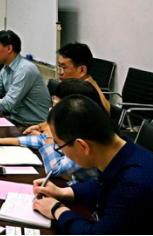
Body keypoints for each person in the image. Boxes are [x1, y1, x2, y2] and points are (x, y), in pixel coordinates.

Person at [32, 95, 153, 235]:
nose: (60, 151)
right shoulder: (124, 151)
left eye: (59, 146)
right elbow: (100, 186)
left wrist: (57, 210)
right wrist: (62, 192)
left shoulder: (133, 184)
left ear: (83, 146)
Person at [0, 79, 104, 184]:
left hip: (85, 199)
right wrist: (1, 141)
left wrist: (50, 130)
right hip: (72, 189)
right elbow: (41, 140)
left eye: (56, 107)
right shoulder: (73, 128)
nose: (51, 110)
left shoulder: (86, 140)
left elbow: (54, 169)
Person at [57, 42, 110, 114]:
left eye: (63, 67)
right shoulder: (75, 87)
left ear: (82, 70)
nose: (59, 72)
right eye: (59, 67)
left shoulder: (87, 98)